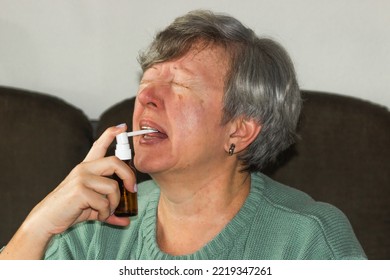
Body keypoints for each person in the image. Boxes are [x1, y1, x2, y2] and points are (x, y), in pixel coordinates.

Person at [0, 9, 366, 260]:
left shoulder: (308, 239)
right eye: (147, 83)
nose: (144, 97)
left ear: (239, 128)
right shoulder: (96, 224)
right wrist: (40, 224)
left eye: (178, 86)